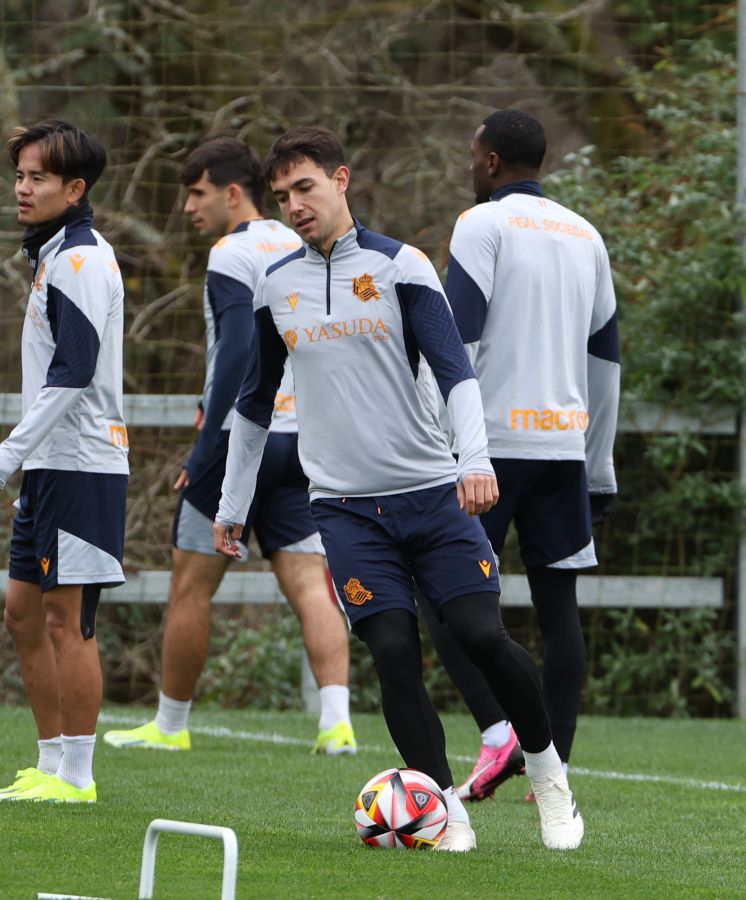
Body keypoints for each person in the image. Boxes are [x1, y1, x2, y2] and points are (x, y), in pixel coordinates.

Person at [213, 125, 584, 851]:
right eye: (282, 195)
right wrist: (232, 506)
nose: (294, 205)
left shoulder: (401, 268)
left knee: (480, 634)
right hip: (345, 512)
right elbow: (253, 403)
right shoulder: (274, 284)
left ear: (341, 180)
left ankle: (548, 779)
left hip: (431, 494)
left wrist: (475, 463)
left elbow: (456, 373)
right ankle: (442, 809)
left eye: (306, 188)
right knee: (390, 650)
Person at [103, 137, 355, 756]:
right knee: (307, 581)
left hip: (243, 441)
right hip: (302, 439)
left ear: (232, 193)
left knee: (190, 585)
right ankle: (337, 723)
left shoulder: (229, 252)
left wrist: (205, 447)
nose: (189, 207)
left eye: (197, 193)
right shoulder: (302, 243)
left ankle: (169, 727)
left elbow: (241, 351)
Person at [430, 109, 620, 802]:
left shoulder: (480, 224)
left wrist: (447, 444)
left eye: (470, 150)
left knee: (443, 594)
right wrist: (597, 464)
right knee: (558, 608)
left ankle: (498, 729)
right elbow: (606, 360)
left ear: (488, 163)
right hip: (563, 449)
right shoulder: (585, 234)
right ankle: (552, 773)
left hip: (489, 447)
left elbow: (456, 342)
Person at [0, 120, 127, 804]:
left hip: (82, 464)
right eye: (19, 175)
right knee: (21, 613)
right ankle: (49, 761)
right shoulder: (49, 254)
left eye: (37, 178)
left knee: (69, 619)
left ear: (75, 188)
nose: (22, 189)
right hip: (49, 466)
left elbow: (75, 370)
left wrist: (7, 454)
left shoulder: (83, 259)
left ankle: (78, 778)